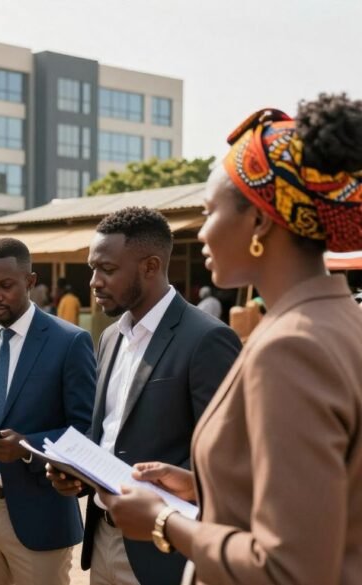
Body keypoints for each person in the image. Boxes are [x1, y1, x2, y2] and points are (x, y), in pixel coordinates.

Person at [99, 96, 362, 585]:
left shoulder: (291, 347)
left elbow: (289, 567)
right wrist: (201, 488)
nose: (201, 232)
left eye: (209, 211)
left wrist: (164, 521)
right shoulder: (339, 323)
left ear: (260, 221)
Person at [48, 207, 241, 585]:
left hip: (163, 548)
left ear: (150, 266)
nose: (93, 282)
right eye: (92, 269)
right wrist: (78, 474)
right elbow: (106, 431)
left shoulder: (207, 339)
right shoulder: (108, 337)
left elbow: (229, 454)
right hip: (101, 535)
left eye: (107, 269)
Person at [0, 237, 96, 584]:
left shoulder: (69, 342)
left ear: (30, 282)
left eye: (5, 285)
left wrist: (27, 449)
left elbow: (86, 432)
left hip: (41, 517)